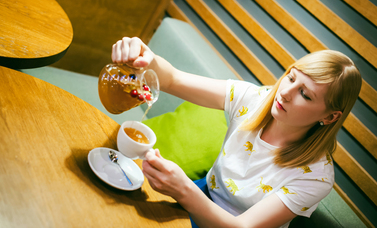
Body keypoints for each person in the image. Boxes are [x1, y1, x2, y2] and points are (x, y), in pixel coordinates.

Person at [111, 37, 362, 228]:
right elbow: (172, 79)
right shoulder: (254, 99)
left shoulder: (316, 177)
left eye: (305, 94)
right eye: (291, 77)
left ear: (329, 117)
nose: (284, 92)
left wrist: (183, 190)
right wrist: (143, 56)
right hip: (201, 194)